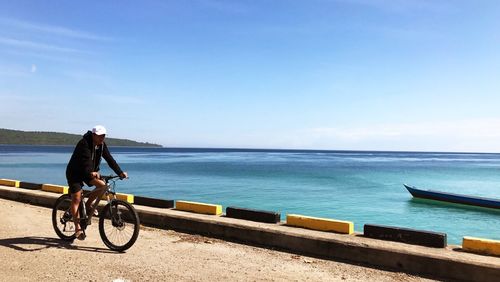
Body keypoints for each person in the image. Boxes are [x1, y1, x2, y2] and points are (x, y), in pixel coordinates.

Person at [66, 125, 128, 240]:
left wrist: (120, 172)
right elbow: (86, 160)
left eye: (103, 136)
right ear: (94, 135)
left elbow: (110, 159)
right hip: (75, 173)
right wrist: (92, 172)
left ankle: (89, 204)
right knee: (77, 198)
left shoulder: (102, 145)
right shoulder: (84, 143)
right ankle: (77, 228)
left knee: (103, 186)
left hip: (89, 172)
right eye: (100, 136)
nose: (102, 138)